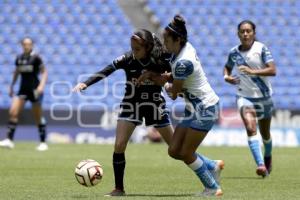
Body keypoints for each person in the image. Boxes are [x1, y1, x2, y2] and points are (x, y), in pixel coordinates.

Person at [73, 29, 174, 196]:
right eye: (132, 48)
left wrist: (165, 79)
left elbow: (177, 76)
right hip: (131, 103)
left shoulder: (161, 58)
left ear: (148, 47)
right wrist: (85, 83)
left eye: (137, 49)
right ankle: (119, 189)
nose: (133, 52)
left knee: (176, 149)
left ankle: (208, 166)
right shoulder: (128, 59)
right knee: (119, 145)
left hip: (154, 104)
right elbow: (106, 70)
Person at [159, 15, 224, 196]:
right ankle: (213, 165)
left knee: (187, 153)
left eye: (166, 40)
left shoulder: (183, 62)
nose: (164, 44)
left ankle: (212, 187)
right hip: (193, 108)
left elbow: (174, 94)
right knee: (174, 150)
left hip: (205, 108)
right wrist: (169, 78)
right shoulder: (183, 48)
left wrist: (162, 83)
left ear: (178, 40)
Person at [223, 20, 276, 177]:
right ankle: (261, 165)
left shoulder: (261, 49)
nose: (245, 34)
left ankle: (267, 156)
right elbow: (227, 67)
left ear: (254, 33)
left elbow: (273, 70)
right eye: (242, 31)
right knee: (251, 127)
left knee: (265, 134)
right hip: (244, 96)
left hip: (264, 97)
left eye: (248, 31)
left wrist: (253, 72)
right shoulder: (234, 52)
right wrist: (227, 77)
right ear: (238, 34)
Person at [0, 37, 48, 151]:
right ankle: (9, 140)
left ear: (32, 45)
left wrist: (41, 86)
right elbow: (17, 72)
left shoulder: (36, 58)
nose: (27, 46)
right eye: (25, 44)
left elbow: (44, 72)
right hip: (22, 90)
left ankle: (43, 142)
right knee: (13, 112)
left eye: (29, 44)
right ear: (22, 45)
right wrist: (12, 86)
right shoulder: (19, 58)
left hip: (34, 90)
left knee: (37, 116)